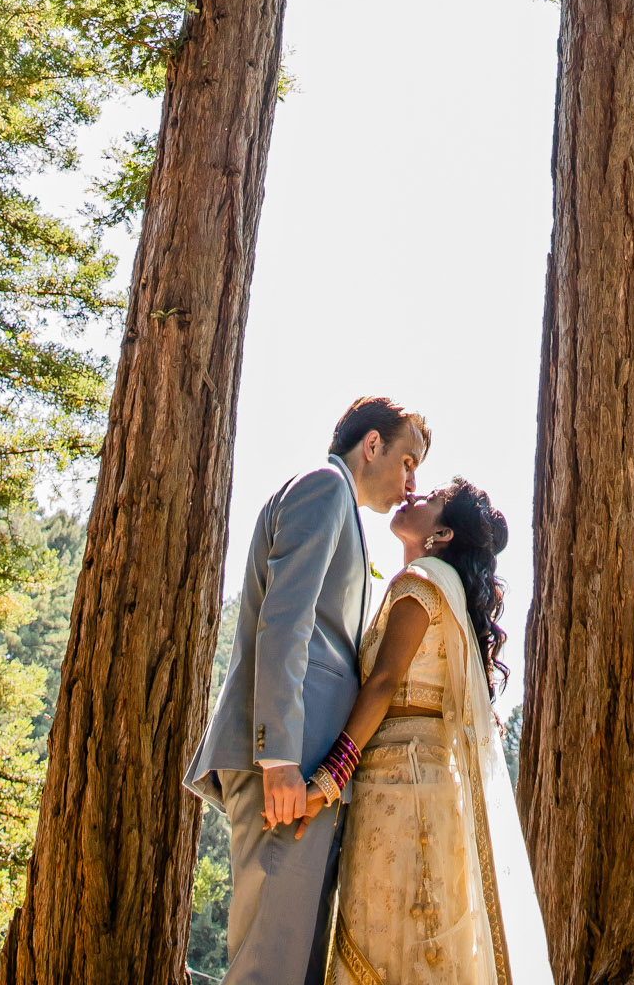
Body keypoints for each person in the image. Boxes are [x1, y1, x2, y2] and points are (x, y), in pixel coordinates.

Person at [187, 398, 428, 985]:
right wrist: (279, 759)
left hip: (309, 774)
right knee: (270, 965)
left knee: (291, 964)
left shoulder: (336, 503)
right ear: (371, 445)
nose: (411, 483)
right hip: (288, 770)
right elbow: (286, 621)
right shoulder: (324, 487)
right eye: (407, 461)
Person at [303, 478, 552, 985]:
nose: (413, 496)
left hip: (403, 791)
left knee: (391, 953)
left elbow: (385, 682)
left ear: (441, 532)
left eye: (432, 498)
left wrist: (328, 779)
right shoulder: (438, 585)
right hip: (415, 789)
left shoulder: (423, 581)